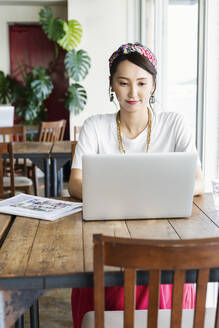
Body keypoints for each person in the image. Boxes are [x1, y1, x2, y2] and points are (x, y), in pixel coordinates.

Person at [68, 43, 204, 328]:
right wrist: (152, 194)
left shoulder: (174, 123)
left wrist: (131, 195)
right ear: (112, 86)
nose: (133, 93)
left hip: (166, 241)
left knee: (170, 273)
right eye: (124, 83)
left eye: (142, 83)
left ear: (153, 85)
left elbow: (199, 181)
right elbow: (75, 183)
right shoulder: (95, 126)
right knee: (97, 272)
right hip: (108, 240)